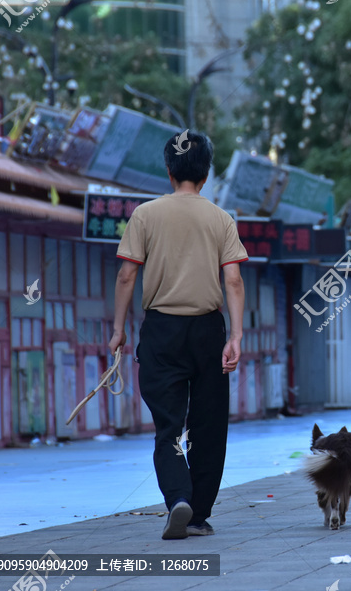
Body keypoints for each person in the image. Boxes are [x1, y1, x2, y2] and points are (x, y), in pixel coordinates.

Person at [109, 131, 247, 540]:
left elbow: (127, 274)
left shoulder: (145, 215)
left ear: (168, 171)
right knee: (208, 425)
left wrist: (118, 329)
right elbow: (234, 280)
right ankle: (199, 514)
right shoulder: (221, 218)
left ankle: (178, 499)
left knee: (168, 426)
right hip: (207, 330)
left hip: (161, 332)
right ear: (205, 175)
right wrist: (236, 336)